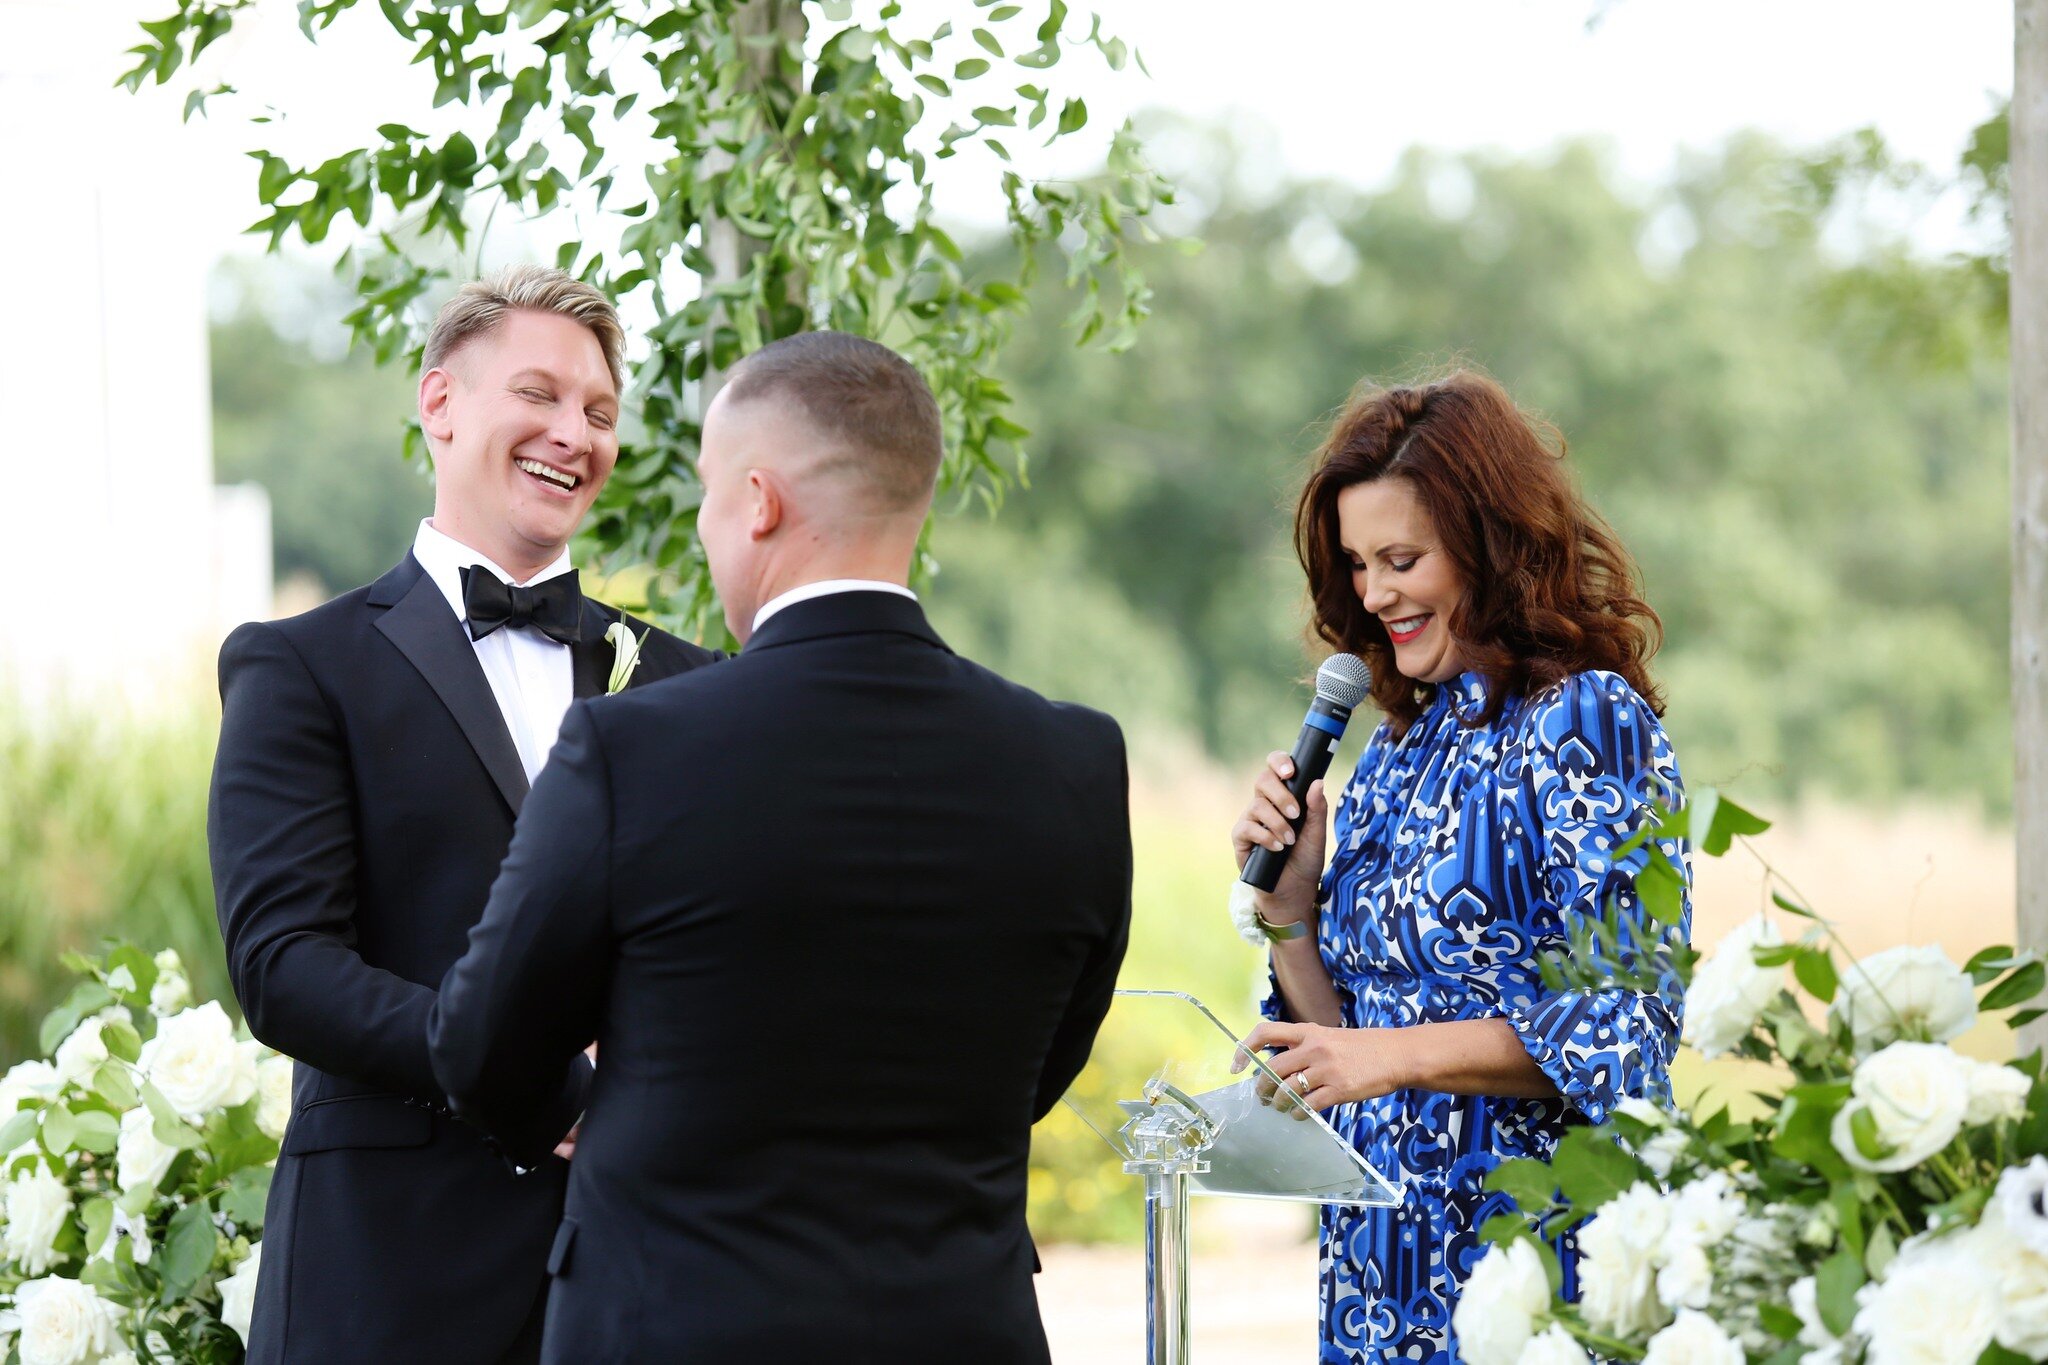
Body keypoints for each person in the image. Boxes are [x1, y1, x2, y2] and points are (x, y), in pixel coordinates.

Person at [427, 330, 1134, 1364]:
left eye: (711, 494)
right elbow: (1044, 1061)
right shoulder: (1075, 759)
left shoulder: (634, 748)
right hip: (957, 1326)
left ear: (758, 502)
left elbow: (482, 1050)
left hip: (675, 1323)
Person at [208, 265, 719, 1363]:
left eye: (598, 412)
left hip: (641, 1269)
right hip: (390, 1270)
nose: (570, 434)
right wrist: (531, 1078)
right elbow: (285, 963)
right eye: (536, 395)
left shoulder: (690, 682)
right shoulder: (302, 665)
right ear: (440, 405)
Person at [1230, 371, 1689, 1365]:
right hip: (1377, 1270)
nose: (1373, 594)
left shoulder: (1585, 723)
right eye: (1356, 564)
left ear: (1489, 544)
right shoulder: (1400, 743)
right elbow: (1341, 1044)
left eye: (1401, 559)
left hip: (1527, 1265)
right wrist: (1291, 909)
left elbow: (1625, 1027)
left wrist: (1391, 1056)